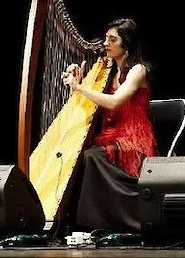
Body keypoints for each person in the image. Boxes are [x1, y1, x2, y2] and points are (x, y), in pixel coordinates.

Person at [62, 18, 158, 234]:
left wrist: (80, 88)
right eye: (106, 38)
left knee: (92, 156)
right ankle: (83, 222)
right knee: (81, 156)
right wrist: (78, 83)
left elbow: (114, 102)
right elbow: (90, 104)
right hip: (111, 134)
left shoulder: (138, 71)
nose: (105, 43)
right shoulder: (107, 72)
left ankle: (96, 224)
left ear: (127, 43)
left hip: (133, 136)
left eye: (112, 39)